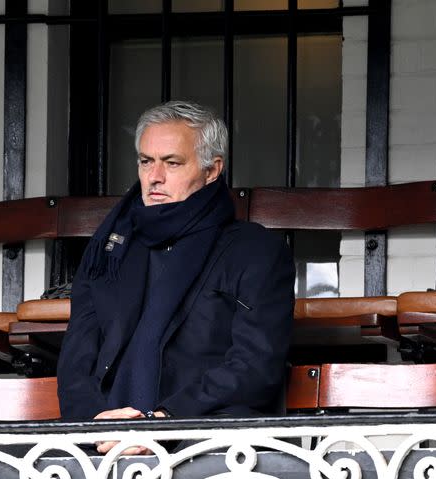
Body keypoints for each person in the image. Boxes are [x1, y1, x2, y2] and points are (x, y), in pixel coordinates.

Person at [57, 101, 294, 452]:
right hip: (104, 442)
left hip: (206, 442)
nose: (154, 176)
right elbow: (76, 362)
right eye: (145, 161)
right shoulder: (110, 251)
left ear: (212, 171)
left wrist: (166, 421)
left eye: (172, 162)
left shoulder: (255, 250)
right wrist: (96, 421)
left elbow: (255, 366)